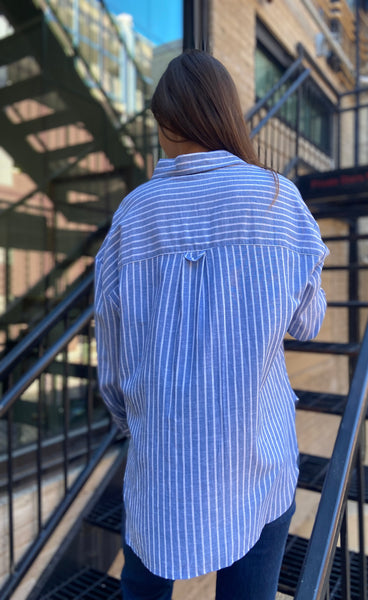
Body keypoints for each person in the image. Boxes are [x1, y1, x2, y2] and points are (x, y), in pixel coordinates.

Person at [94, 49, 328, 600]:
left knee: (142, 589)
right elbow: (309, 322)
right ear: (224, 115)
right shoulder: (278, 198)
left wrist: (141, 426)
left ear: (165, 124)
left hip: (161, 474)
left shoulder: (132, 215)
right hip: (258, 462)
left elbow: (112, 369)